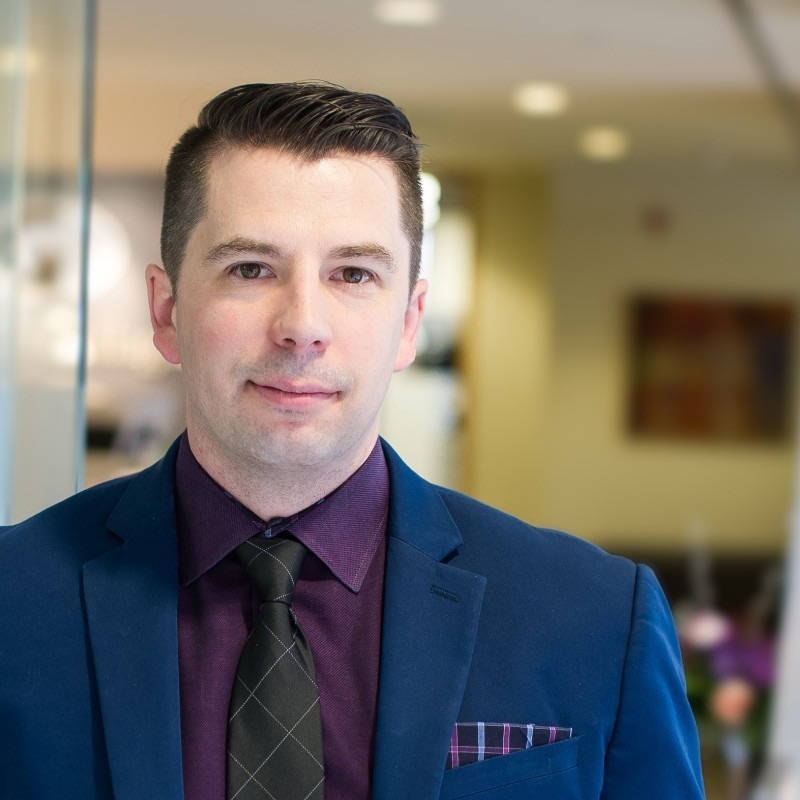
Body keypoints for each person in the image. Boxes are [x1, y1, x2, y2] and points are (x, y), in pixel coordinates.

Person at [0, 82, 704, 800]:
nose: (302, 324)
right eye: (250, 269)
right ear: (165, 309)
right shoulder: (13, 600)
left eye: (354, 273)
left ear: (409, 321)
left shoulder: (593, 617)